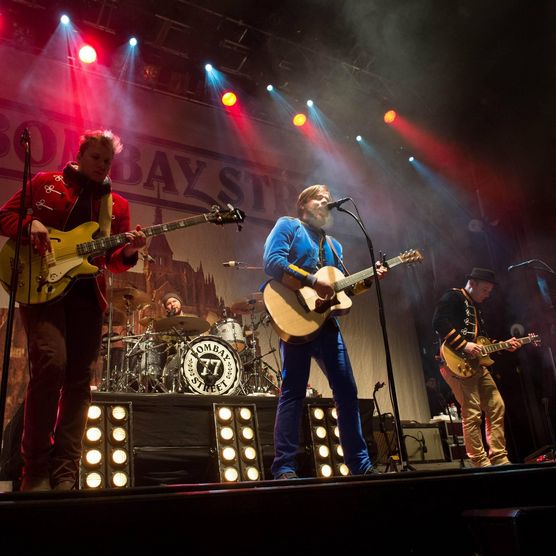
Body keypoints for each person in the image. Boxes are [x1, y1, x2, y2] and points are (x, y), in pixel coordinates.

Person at [0, 129, 146, 491]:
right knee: (51, 365)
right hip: (41, 288)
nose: (101, 166)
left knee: (80, 383)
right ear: (80, 154)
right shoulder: (45, 183)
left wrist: (129, 252)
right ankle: (34, 470)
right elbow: (4, 215)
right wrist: (28, 222)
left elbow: (111, 261)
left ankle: (66, 471)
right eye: (96, 158)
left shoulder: (118, 206)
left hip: (86, 296)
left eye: (107, 161)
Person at [263, 184, 387, 479]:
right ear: (304, 204)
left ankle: (360, 465)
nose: (327, 204)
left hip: (327, 325)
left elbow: (340, 293)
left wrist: (369, 279)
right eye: (321, 199)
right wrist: (310, 280)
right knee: (293, 391)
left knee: (347, 392)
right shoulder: (289, 225)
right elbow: (272, 262)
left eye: (330, 201)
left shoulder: (334, 246)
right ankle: (284, 467)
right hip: (295, 317)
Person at [432, 267, 521, 467]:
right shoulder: (453, 296)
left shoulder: (477, 307)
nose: (488, 295)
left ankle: (498, 457)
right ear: (472, 283)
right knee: (471, 412)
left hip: (477, 365)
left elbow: (481, 342)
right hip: (456, 364)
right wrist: (463, 345)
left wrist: (504, 345)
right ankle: (480, 462)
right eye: (485, 290)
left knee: (496, 405)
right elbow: (438, 321)